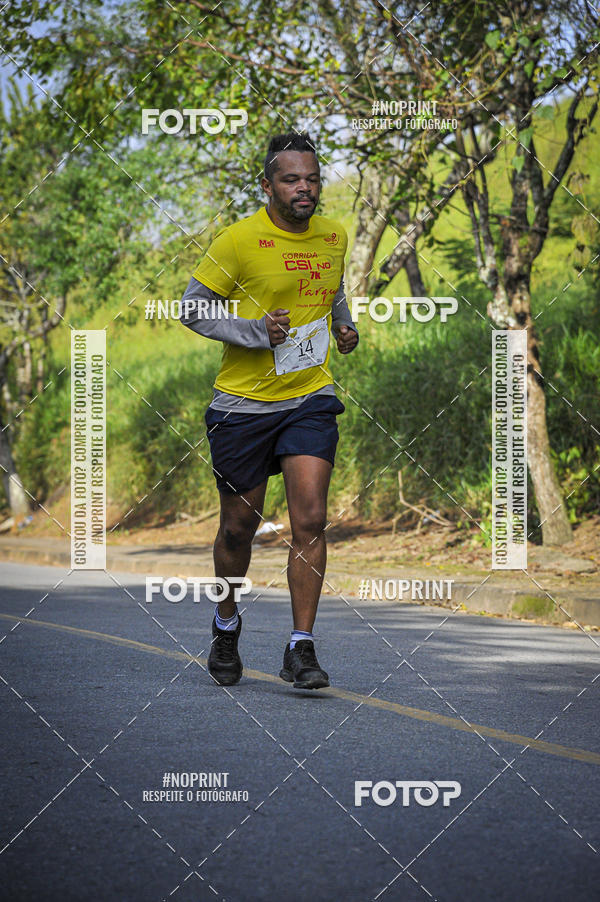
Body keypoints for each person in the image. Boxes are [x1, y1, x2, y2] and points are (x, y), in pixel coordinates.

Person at [180, 131, 358, 690]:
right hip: (243, 405)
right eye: (291, 179)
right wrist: (254, 332)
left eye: (311, 178)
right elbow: (192, 309)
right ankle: (226, 623)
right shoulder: (237, 241)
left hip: (309, 395)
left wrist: (343, 325)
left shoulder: (334, 235)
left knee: (309, 518)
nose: (304, 188)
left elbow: (330, 289)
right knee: (239, 527)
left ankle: (300, 647)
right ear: (267, 185)